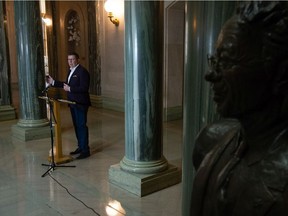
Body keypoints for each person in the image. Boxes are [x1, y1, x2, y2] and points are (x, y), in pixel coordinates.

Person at [191, 1, 288, 216]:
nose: (210, 75)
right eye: (214, 61)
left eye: (226, 61)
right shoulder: (210, 141)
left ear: (280, 72)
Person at [46, 52, 91, 159]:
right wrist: (53, 82)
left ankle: (85, 150)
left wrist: (70, 89)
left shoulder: (82, 72)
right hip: (72, 103)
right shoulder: (71, 71)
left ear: (78, 60)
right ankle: (80, 146)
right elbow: (66, 84)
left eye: (72, 59)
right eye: (68, 60)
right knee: (76, 126)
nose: (70, 62)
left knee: (81, 126)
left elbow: (84, 88)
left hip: (80, 103)